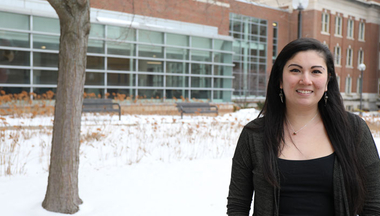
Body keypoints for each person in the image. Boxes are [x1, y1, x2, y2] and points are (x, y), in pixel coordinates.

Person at [226, 38, 380, 216]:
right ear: (280, 80)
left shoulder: (353, 129)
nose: (305, 80)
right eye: (295, 70)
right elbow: (238, 205)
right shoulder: (254, 134)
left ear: (328, 80)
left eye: (316, 71)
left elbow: (374, 205)